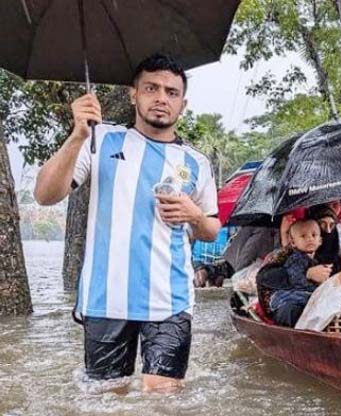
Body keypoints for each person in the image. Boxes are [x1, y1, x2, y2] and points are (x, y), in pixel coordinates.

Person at [33, 54, 221, 392]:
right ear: (134, 94)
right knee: (110, 398)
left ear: (183, 103)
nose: (161, 98)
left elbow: (211, 229)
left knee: (161, 397)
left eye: (171, 92)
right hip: (106, 298)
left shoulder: (196, 162)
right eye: (151, 88)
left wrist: (193, 215)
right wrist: (76, 136)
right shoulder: (101, 139)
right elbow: (45, 195)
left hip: (170, 300)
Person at [269, 219, 332, 327]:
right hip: (290, 300)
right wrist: (308, 275)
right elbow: (294, 278)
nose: (309, 239)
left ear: (320, 241)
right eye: (303, 236)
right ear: (293, 242)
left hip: (306, 299)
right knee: (291, 312)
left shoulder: (316, 261)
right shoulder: (295, 258)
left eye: (314, 235)